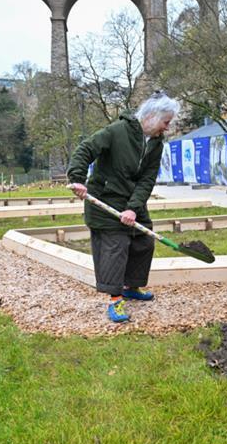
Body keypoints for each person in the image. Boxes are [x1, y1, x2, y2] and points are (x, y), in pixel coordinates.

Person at [67, 92, 180, 323]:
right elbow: (86, 149)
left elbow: (147, 179)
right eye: (165, 122)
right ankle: (115, 299)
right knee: (115, 247)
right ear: (150, 116)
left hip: (130, 201)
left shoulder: (156, 144)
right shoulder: (117, 131)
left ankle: (130, 287)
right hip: (106, 199)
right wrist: (77, 178)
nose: (166, 128)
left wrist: (133, 208)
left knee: (143, 241)